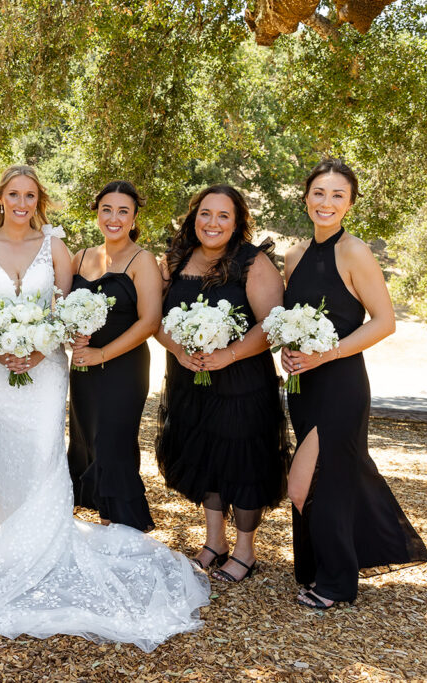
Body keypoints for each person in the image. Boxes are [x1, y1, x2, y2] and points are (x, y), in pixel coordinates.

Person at [0, 165, 209, 653]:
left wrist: (36, 351)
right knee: (2, 452)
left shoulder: (57, 247)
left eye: (30, 195)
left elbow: (64, 309)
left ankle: (47, 546)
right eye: (13, 194)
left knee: (42, 450)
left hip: (47, 367)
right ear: (0, 197)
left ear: (40, 200)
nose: (21, 202)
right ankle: (8, 540)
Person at [282, 159, 427, 609]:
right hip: (301, 386)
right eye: (319, 193)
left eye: (337, 195)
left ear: (350, 203)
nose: (326, 203)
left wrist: (327, 353)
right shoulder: (293, 255)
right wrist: (287, 351)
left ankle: (338, 582)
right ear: (306, 197)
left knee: (311, 484)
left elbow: (385, 322)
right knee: (324, 482)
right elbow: (294, 320)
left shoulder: (355, 252)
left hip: (341, 384)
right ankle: (321, 571)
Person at [154, 185, 288, 584]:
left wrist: (227, 354)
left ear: (237, 222)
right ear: (193, 217)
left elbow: (271, 323)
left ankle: (245, 550)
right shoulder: (175, 259)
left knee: (244, 460)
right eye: (205, 214)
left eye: (223, 216)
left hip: (241, 382)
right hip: (189, 377)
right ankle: (215, 542)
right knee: (204, 454)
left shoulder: (252, 262)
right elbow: (153, 318)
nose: (213, 223)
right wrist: (178, 351)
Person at [67, 180, 161, 531]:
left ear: (135, 217)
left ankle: (123, 526)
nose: (114, 217)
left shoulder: (142, 260)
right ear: (96, 212)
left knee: (113, 443)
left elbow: (150, 321)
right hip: (83, 369)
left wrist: (101, 353)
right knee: (86, 439)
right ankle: (100, 516)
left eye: (123, 211)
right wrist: (72, 339)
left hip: (123, 368)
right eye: (107, 209)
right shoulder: (81, 257)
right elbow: (60, 309)